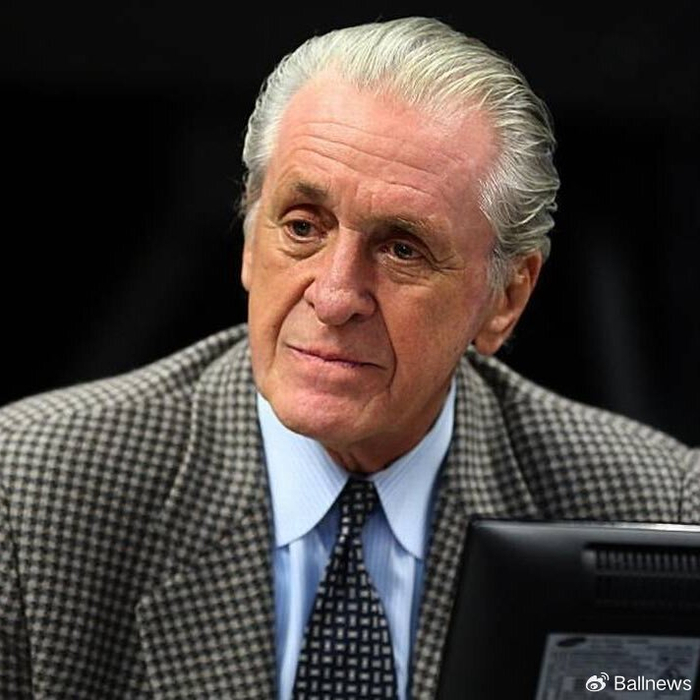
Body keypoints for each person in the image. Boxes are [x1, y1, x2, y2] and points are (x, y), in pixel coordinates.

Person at [1, 16, 698, 700]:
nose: (334, 297)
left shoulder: (657, 509)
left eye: (402, 249)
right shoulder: (29, 491)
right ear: (250, 243)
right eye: (303, 226)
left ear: (505, 299)